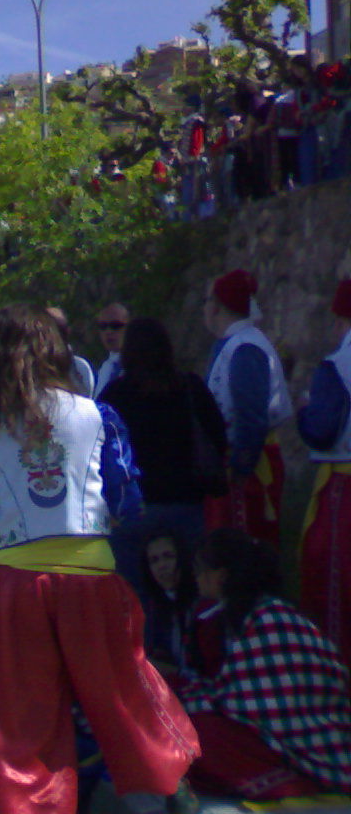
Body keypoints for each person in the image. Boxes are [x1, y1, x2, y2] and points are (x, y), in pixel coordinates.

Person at [0, 304, 196, 814]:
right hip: (90, 576)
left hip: (18, 581)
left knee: (21, 722)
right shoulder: (97, 414)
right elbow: (127, 500)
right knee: (123, 695)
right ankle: (165, 788)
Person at [180, 529, 351, 801]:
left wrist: (191, 697)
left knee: (199, 732)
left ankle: (293, 783)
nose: (196, 578)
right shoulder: (229, 616)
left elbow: (244, 701)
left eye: (201, 570)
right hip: (285, 731)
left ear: (221, 576)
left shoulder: (271, 617)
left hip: (323, 737)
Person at [99, 316, 228, 581]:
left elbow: (98, 450)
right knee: (192, 588)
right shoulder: (190, 388)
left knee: (137, 597)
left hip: (134, 508)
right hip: (186, 503)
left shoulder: (116, 395)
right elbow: (218, 438)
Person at [203, 269, 290, 545]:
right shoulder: (233, 344)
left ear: (215, 306)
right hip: (235, 461)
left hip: (247, 467)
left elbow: (251, 417)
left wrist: (239, 470)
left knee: (243, 550)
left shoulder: (245, 348)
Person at [296, 276, 351, 664]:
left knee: (333, 584)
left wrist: (303, 411)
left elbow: (321, 429)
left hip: (343, 486)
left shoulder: (338, 365)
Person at [140, 530, 197, 678]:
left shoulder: (203, 604)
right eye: (154, 560)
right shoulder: (152, 610)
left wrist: (175, 672)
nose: (162, 566)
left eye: (168, 557)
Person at [45, 306, 95, 396]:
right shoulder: (31, 367)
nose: (53, 333)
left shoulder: (80, 366)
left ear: (67, 330)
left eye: (59, 327)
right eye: (47, 327)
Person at [93, 301, 129, 397]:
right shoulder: (104, 369)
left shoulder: (139, 366)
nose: (108, 331)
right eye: (103, 326)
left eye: (116, 326)